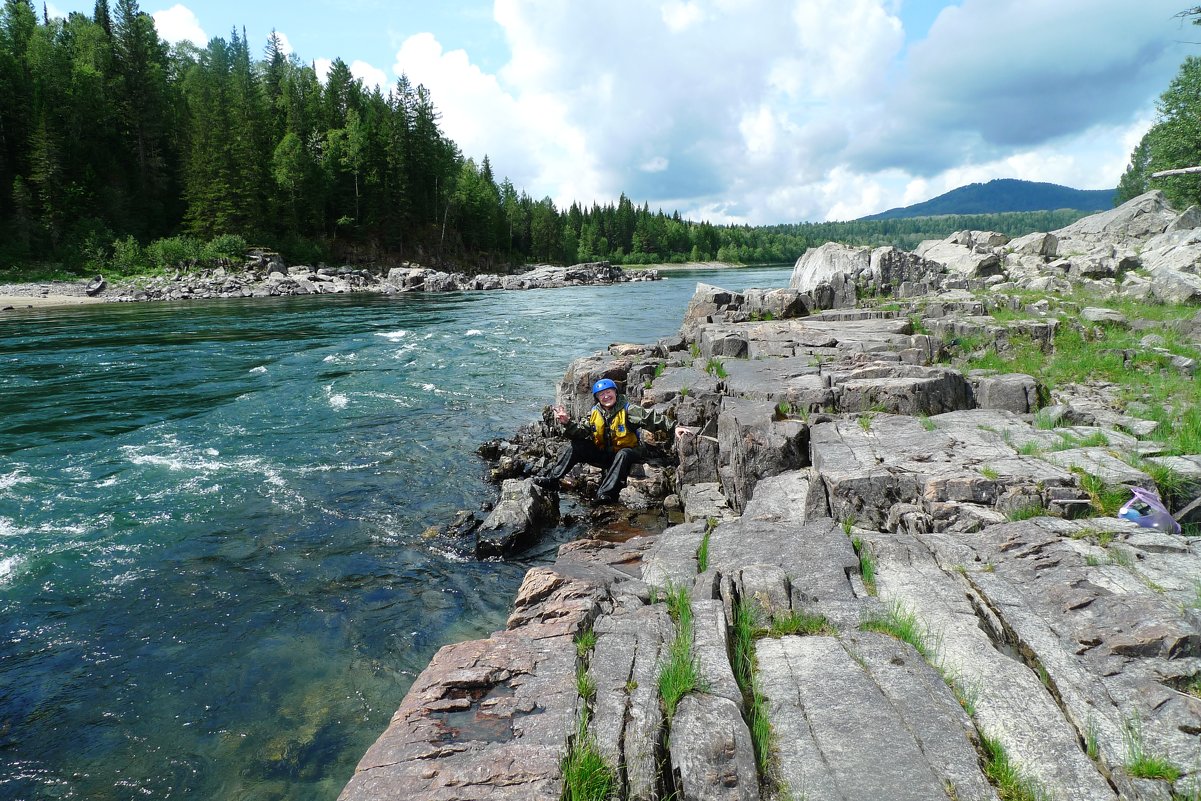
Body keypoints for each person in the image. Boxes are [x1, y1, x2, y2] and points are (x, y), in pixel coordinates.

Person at [535, 377, 681, 503]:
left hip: (629, 453)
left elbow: (652, 419)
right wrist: (567, 423)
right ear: (597, 398)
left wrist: (674, 427)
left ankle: (605, 493)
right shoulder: (594, 412)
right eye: (601, 394)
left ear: (615, 392)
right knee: (576, 445)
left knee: (623, 454)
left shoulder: (629, 409)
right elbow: (581, 432)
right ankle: (553, 479)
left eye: (608, 392)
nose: (606, 396)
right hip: (605, 453)